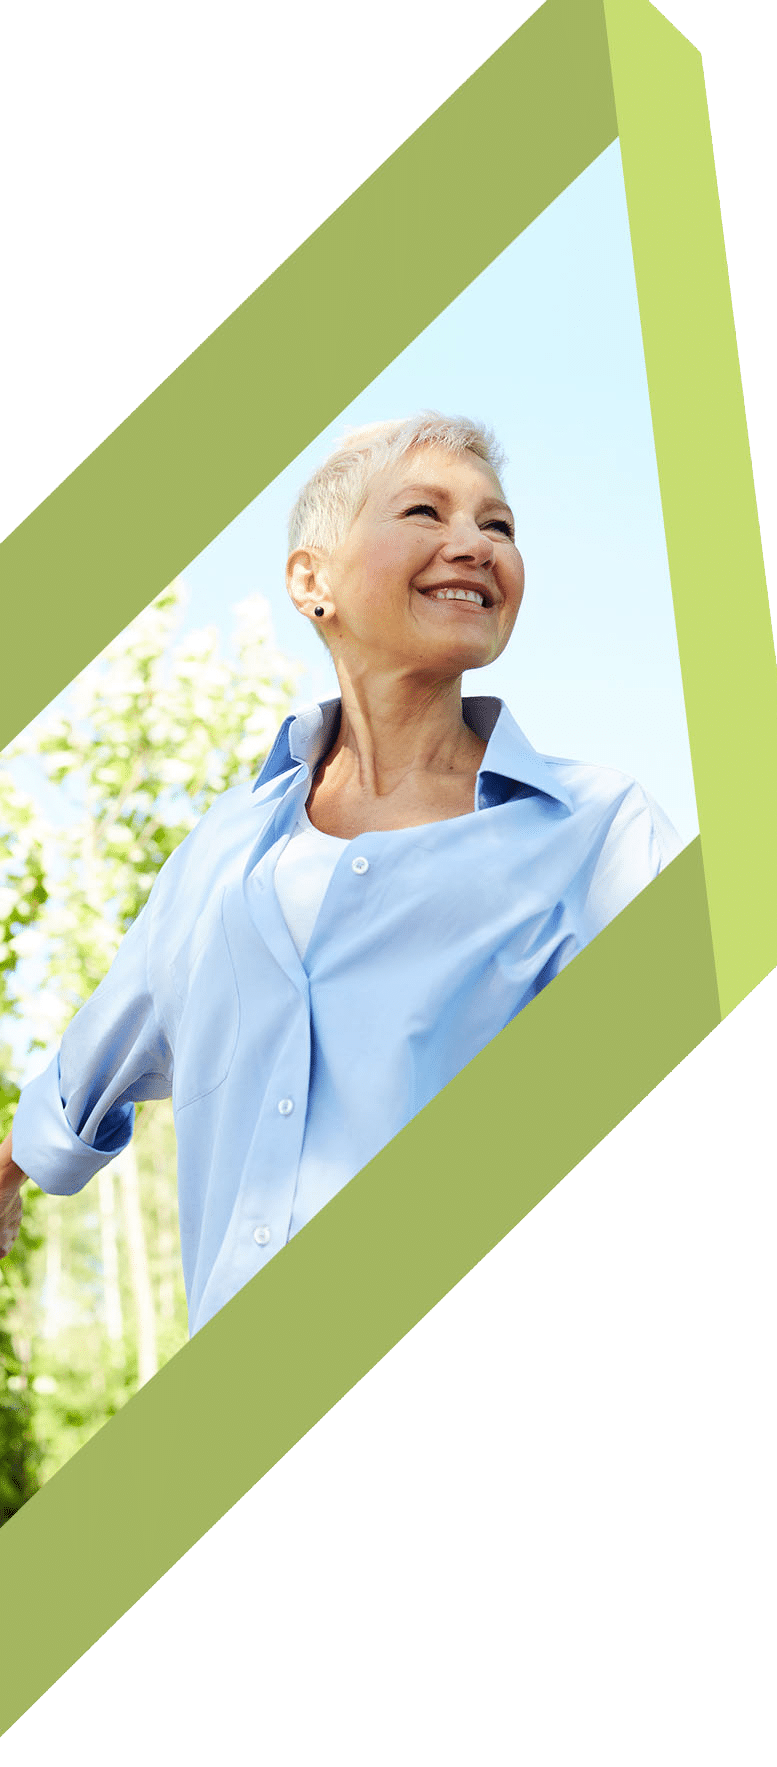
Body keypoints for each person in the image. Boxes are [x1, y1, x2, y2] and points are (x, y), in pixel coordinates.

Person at [0, 413, 682, 1333]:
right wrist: (11, 1170)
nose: (473, 546)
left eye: (499, 526)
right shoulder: (219, 858)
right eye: (424, 511)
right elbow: (98, 1053)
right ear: (309, 580)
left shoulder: (597, 837)